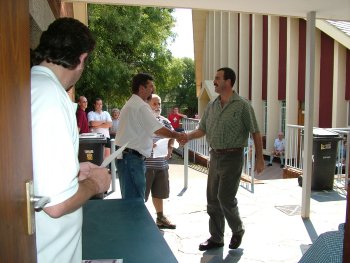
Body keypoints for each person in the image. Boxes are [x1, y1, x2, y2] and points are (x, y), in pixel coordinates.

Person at [30, 17, 111, 263]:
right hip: (51, 253)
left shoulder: (30, 85)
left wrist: (74, 172)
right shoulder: (51, 97)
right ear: (82, 58)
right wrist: (95, 184)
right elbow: (56, 204)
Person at [182, 67, 264, 251]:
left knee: (225, 197)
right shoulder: (212, 105)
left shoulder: (243, 105)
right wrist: (186, 136)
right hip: (215, 156)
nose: (214, 81)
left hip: (233, 157)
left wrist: (260, 158)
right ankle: (216, 238)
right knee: (212, 199)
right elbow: (202, 129)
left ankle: (237, 229)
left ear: (228, 82)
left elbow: (256, 132)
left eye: (218, 78)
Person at [115, 73, 185, 200]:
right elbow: (158, 129)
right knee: (134, 202)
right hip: (131, 158)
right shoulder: (140, 106)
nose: (152, 89)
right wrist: (177, 135)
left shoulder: (132, 104)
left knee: (131, 200)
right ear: (141, 88)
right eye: (150, 86)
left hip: (128, 157)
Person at [145, 94, 176, 229]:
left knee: (159, 193)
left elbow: (172, 135)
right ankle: (138, 220)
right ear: (148, 105)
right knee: (141, 195)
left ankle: (160, 217)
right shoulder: (143, 120)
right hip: (145, 165)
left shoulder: (165, 121)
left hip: (161, 165)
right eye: (155, 104)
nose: (158, 107)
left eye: (159, 104)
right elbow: (135, 137)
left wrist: (170, 149)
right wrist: (147, 144)